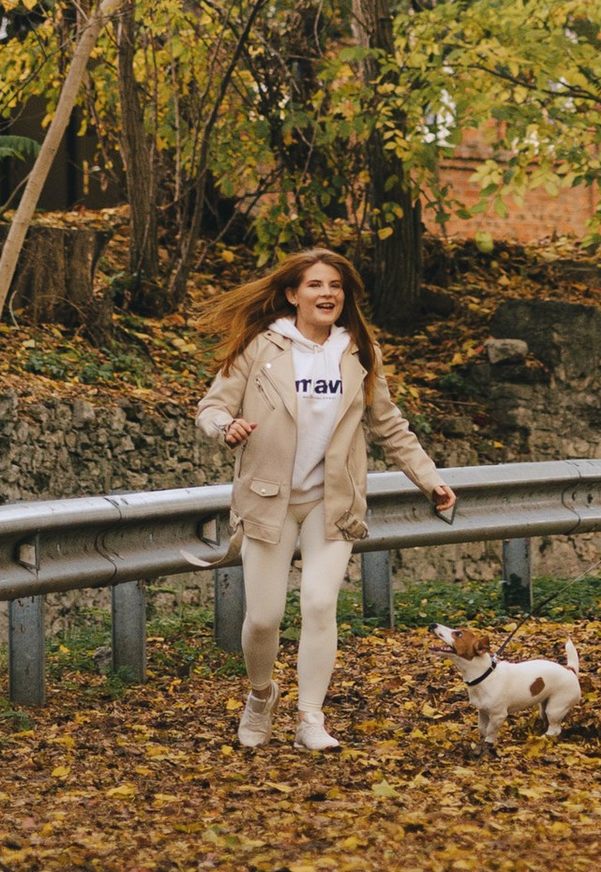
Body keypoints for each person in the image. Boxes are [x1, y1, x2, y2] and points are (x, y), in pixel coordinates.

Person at [195, 247, 455, 755]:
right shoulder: (261, 347)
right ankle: (260, 695)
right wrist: (227, 427)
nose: (327, 293)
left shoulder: (358, 352)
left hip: (332, 502)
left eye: (335, 285)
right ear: (293, 294)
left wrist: (430, 480)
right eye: (315, 285)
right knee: (264, 618)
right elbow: (211, 406)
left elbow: (388, 425)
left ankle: (310, 717)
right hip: (268, 499)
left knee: (319, 604)